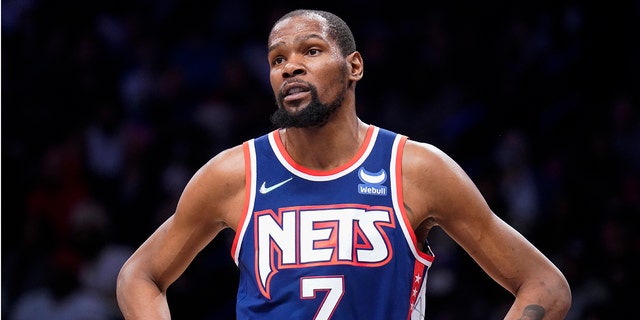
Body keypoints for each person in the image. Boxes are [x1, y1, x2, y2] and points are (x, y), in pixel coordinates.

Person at [116, 9, 571, 320]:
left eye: (310, 51)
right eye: (278, 59)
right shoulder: (234, 174)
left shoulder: (414, 169)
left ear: (354, 66)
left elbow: (544, 286)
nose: (290, 67)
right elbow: (140, 275)